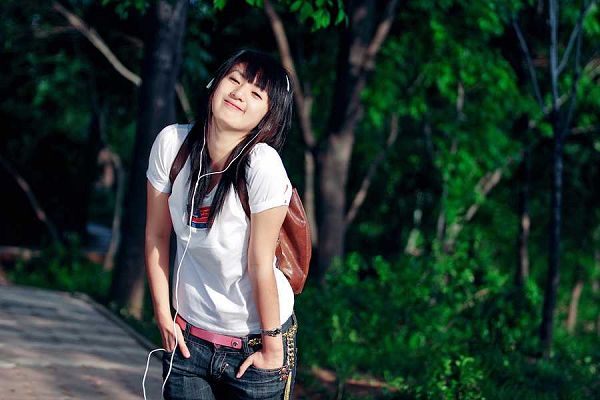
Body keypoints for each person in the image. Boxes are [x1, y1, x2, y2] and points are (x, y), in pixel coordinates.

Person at [144, 49, 297, 400]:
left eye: (256, 94)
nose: (239, 93)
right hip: (188, 341)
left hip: (255, 342)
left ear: (268, 116)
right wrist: (162, 313)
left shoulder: (262, 165)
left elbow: (260, 263)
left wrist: (272, 349)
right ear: (215, 84)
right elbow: (156, 234)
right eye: (235, 80)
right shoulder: (172, 145)